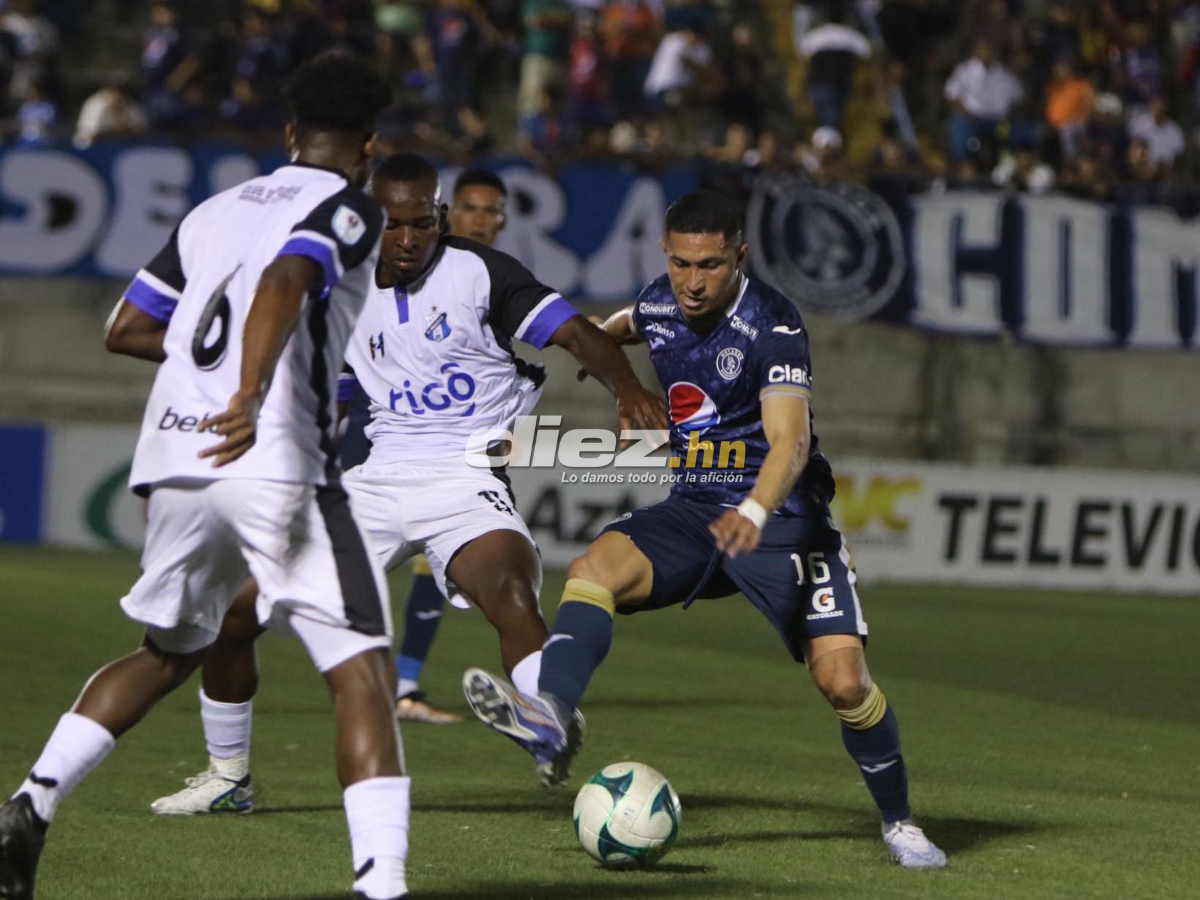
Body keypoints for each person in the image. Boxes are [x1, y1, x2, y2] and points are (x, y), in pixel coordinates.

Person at [0, 54, 408, 900]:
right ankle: (382, 886)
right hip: (272, 459)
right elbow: (291, 279)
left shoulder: (214, 210)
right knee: (362, 670)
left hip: (176, 462)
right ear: (369, 145)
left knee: (164, 650)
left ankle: (29, 804)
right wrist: (251, 392)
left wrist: (210, 373)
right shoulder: (351, 208)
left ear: (290, 135)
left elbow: (126, 326)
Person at [148, 152, 666, 816]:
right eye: (392, 225)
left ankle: (550, 719)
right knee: (231, 612)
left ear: (440, 216)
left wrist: (626, 387)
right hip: (377, 479)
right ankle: (228, 777)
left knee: (510, 592)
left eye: (421, 223)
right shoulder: (340, 284)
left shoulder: (482, 274)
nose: (408, 239)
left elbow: (574, 332)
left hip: (465, 477)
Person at [461, 190, 948, 870]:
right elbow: (637, 319)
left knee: (844, 685)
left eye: (711, 266)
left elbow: (790, 443)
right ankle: (550, 713)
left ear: (739, 257)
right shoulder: (664, 298)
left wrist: (753, 512)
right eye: (682, 262)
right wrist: (604, 334)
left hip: (782, 523)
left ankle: (900, 823)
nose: (693, 281)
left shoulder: (773, 324)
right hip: (694, 510)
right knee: (593, 571)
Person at [385, 167, 513, 725]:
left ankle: (403, 685)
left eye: (492, 211)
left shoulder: (498, 280)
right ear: (446, 212)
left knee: (449, 567)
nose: (481, 220)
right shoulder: (410, 269)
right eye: (471, 208)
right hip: (390, 439)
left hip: (459, 452)